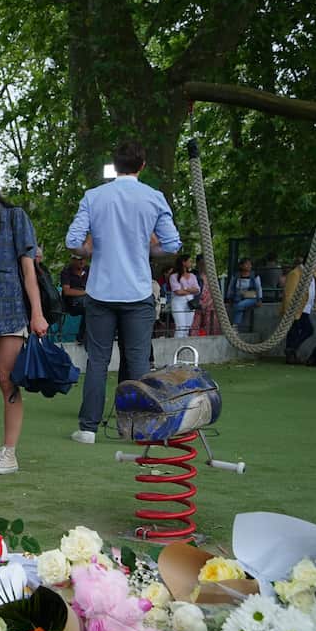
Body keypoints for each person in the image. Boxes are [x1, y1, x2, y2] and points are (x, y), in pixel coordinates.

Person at [65, 140, 181, 444]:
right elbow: (171, 245)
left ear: (114, 166)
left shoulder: (94, 196)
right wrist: (148, 247)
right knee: (139, 361)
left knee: (98, 361)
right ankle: (138, 428)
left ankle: (88, 428)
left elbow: (73, 240)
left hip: (101, 291)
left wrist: (89, 249)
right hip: (138, 292)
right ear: (142, 166)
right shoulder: (154, 198)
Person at [0, 153, 46, 476]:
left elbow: (29, 272)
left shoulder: (14, 217)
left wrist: (37, 314)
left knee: (7, 380)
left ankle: (9, 452)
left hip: (9, 307)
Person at [168, 254, 200, 337]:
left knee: (187, 328)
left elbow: (197, 290)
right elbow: (178, 292)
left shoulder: (193, 276)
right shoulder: (173, 276)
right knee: (180, 327)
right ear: (183, 262)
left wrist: (185, 288)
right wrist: (190, 290)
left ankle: (184, 346)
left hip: (190, 302)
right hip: (178, 302)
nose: (191, 263)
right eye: (189, 261)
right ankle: (177, 346)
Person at [225, 258, 262, 330]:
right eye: (246, 264)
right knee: (239, 306)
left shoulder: (254, 275)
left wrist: (260, 299)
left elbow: (258, 287)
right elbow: (231, 287)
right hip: (238, 296)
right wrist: (229, 298)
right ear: (241, 266)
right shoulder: (236, 275)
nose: (248, 266)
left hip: (251, 296)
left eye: (250, 264)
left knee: (239, 305)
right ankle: (236, 327)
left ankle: (234, 326)